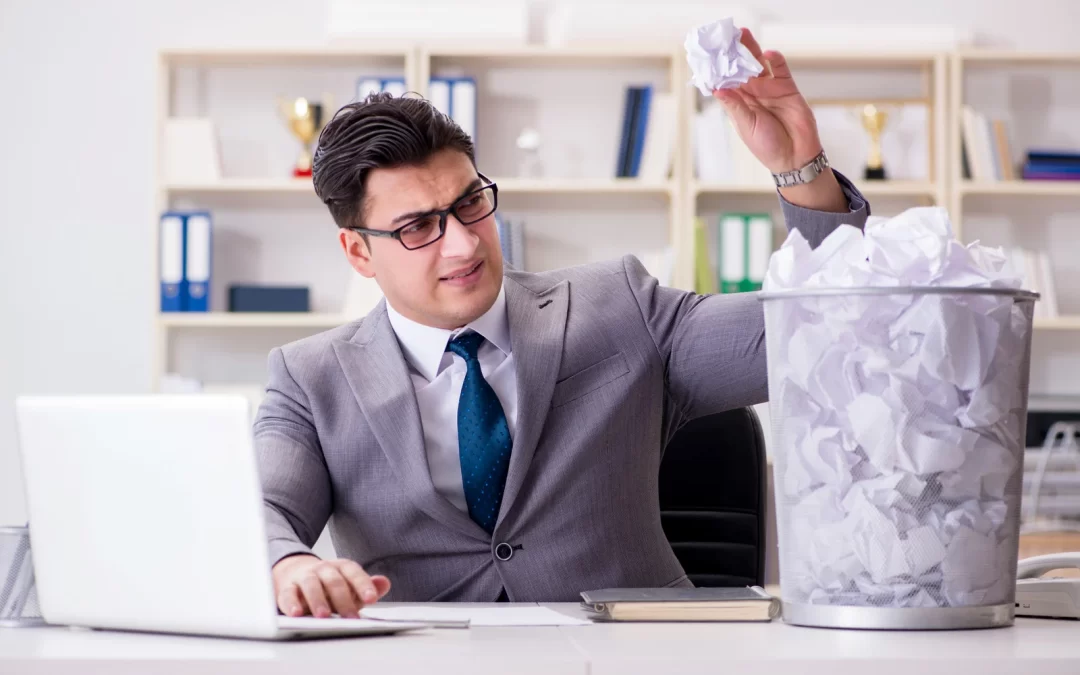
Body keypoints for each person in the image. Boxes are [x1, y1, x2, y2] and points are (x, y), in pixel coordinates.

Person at [258, 29, 870, 619]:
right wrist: (287, 564)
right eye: (419, 227)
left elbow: (815, 332)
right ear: (359, 252)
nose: (464, 245)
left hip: (640, 657)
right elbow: (259, 510)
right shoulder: (311, 379)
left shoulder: (618, 306)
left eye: (470, 202)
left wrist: (801, 171)